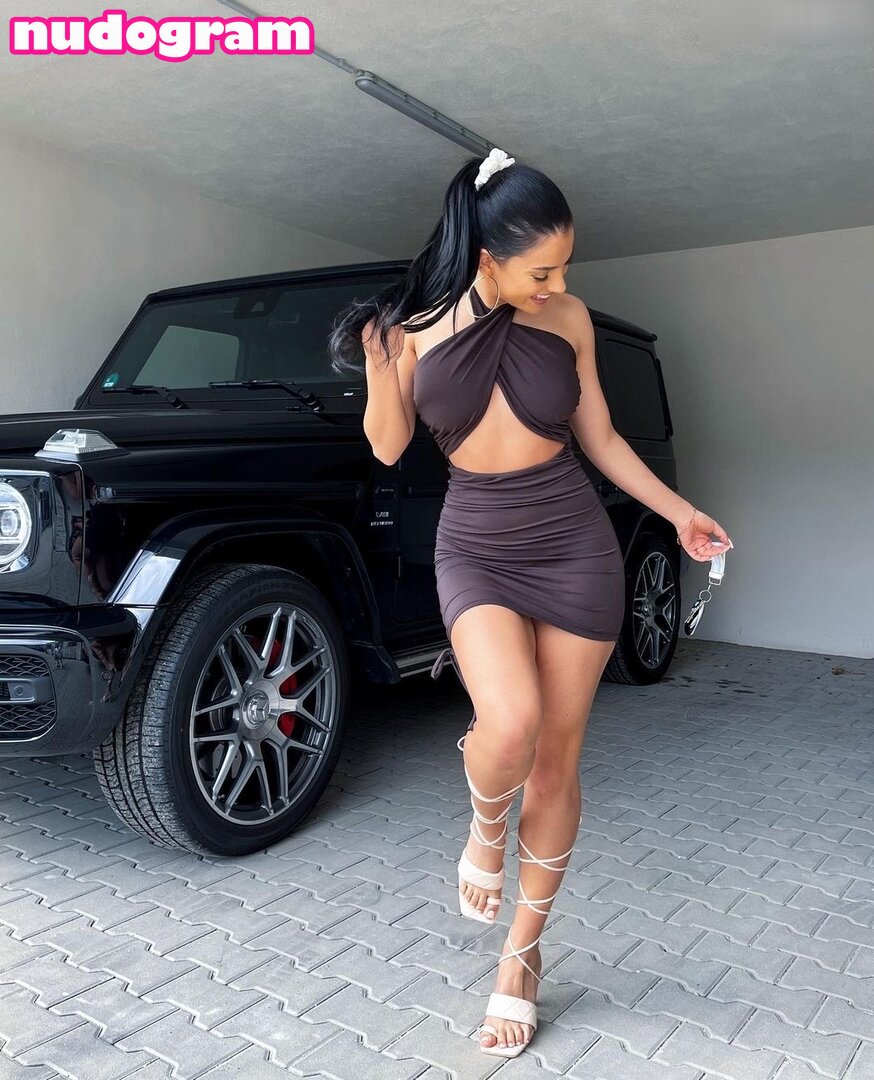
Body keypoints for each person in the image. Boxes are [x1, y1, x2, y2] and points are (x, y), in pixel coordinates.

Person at [328, 147, 733, 1058]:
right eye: (541, 270)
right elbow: (388, 447)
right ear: (487, 259)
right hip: (476, 543)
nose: (558, 285)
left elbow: (602, 437)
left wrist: (680, 515)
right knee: (506, 723)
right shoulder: (413, 327)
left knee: (556, 761)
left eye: (564, 268)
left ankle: (521, 958)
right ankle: (484, 828)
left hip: (573, 544)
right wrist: (381, 365)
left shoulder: (569, 319)